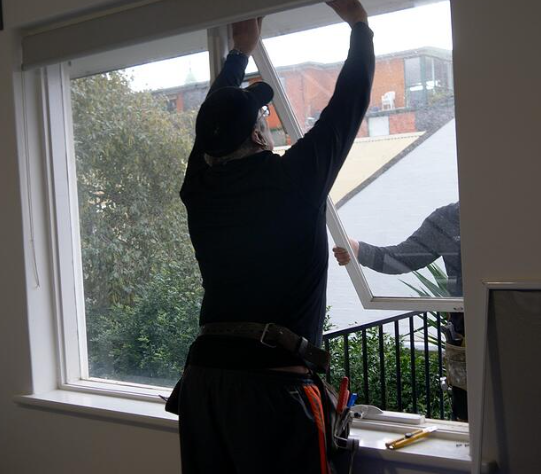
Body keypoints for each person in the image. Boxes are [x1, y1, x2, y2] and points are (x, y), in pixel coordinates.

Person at [173, 1, 374, 472]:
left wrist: (240, 53)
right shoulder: (293, 182)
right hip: (272, 394)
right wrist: (360, 25)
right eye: (263, 117)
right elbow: (348, 105)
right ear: (261, 136)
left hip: (205, 388)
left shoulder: (197, 189)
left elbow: (213, 127)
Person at [331, 201, 469, 420]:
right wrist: (358, 250)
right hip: (465, 342)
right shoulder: (450, 218)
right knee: (469, 421)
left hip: (511, 333)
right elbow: (403, 259)